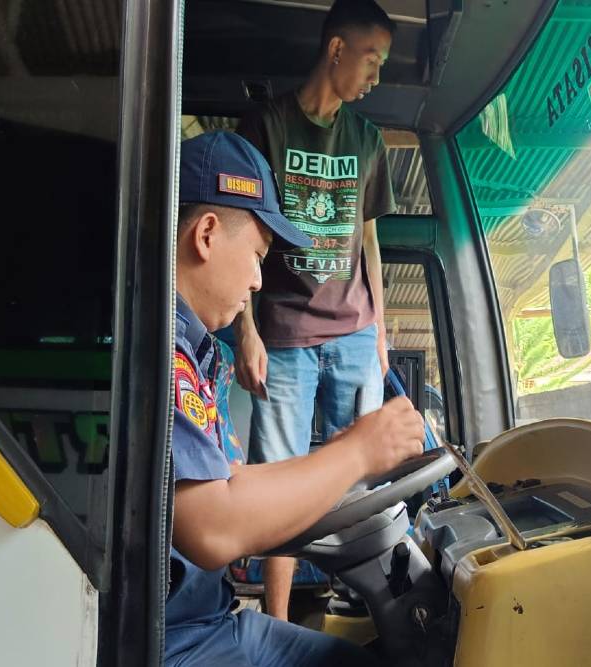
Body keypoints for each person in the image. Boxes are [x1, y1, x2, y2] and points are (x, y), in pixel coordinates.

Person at [166, 130, 424, 666]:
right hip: (178, 639)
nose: (260, 280)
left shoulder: (194, 348)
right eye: (258, 255)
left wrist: (334, 478)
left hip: (206, 620)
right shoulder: (160, 351)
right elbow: (214, 527)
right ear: (207, 235)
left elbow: (232, 481)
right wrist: (356, 452)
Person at [233, 0, 398, 620]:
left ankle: (358, 606)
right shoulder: (266, 127)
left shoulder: (368, 140)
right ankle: (276, 620)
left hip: (354, 332)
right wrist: (245, 331)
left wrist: (379, 330)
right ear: (336, 50)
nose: (375, 77)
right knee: (280, 477)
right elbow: (243, 236)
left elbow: (369, 243)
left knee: (360, 477)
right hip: (283, 330)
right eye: (372, 60)